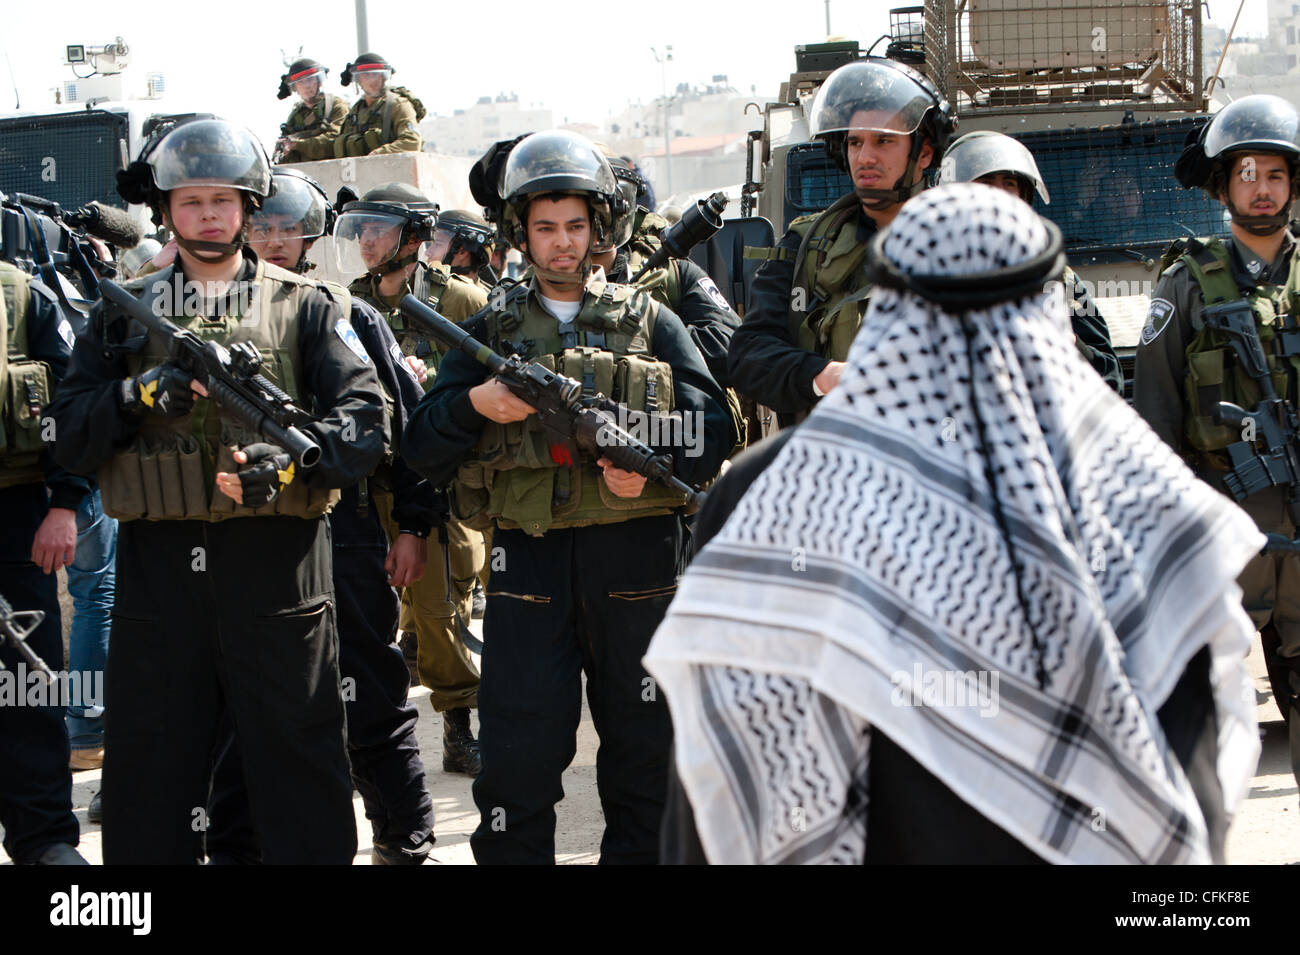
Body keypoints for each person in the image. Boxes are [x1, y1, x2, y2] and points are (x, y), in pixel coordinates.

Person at [647, 183, 1262, 864]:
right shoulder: (1141, 497)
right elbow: (1189, 799)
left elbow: (713, 782)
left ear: (885, 305)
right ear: (1044, 311)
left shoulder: (766, 494)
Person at [49, 118, 386, 864]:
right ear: (166, 209)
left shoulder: (310, 306)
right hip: (161, 577)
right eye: (191, 200)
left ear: (248, 206)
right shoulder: (119, 312)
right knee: (152, 772)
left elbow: (365, 427)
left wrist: (290, 464)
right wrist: (140, 396)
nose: (209, 214)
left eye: (224, 200)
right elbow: (69, 433)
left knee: (298, 765)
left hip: (280, 572)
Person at [402, 129, 731, 864]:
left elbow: (714, 427)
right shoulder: (488, 330)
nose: (560, 243)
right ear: (520, 231)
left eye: (575, 226)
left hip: (639, 567)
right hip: (529, 573)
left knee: (649, 763)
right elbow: (421, 445)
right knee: (515, 766)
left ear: (599, 228)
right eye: (545, 227)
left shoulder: (652, 322)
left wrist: (646, 456)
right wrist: (476, 405)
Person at [202, 167, 437, 864]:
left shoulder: (342, 311)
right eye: (263, 225)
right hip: (244, 537)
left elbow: (402, 427)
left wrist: (414, 526)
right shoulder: (208, 309)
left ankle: (403, 831)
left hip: (345, 531)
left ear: (307, 236)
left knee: (369, 687)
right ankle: (235, 842)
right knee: (239, 702)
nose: (274, 240)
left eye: (287, 227)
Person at [1134, 94, 1300, 795]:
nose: (1261, 188)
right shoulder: (1186, 283)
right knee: (1207, 700)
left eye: (1274, 173)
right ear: (1223, 184)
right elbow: (1155, 411)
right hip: (1222, 526)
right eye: (1246, 173)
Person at [335, 182, 487, 774]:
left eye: (379, 230)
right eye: (362, 231)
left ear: (415, 239)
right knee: (363, 610)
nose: (367, 242)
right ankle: (367, 732)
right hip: (371, 479)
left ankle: (458, 722)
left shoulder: (461, 300)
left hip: (436, 480)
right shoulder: (346, 302)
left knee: (438, 607)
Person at [726, 58, 955, 425]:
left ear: (924, 152)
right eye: (855, 142)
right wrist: (826, 376)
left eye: (883, 141)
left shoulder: (969, 247)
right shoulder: (805, 247)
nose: (865, 157)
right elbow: (749, 356)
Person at [0, 260, 90, 865]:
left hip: (14, 515)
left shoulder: (20, 293)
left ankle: (44, 840)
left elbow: (71, 398)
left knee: (25, 683)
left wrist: (64, 503)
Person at [937, 129, 1124, 393]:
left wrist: (1071, 346)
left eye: (1009, 184)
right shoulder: (926, 278)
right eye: (985, 182)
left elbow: (1109, 378)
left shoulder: (1058, 280)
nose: (999, 194)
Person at [333, 54, 423, 157]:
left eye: (376, 75)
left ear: (383, 77)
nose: (372, 80)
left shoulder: (397, 105)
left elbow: (412, 142)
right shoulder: (356, 111)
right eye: (366, 75)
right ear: (358, 80)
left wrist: (378, 153)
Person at [274, 58, 348, 163]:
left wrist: (296, 145)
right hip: (302, 172)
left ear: (319, 82)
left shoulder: (335, 106)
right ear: (295, 87)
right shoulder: (296, 114)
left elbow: (333, 141)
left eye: (310, 80)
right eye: (300, 82)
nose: (306, 86)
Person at [428, 209, 496, 291]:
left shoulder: (483, 301)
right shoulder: (426, 287)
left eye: (438, 244)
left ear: (462, 252)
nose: (428, 252)